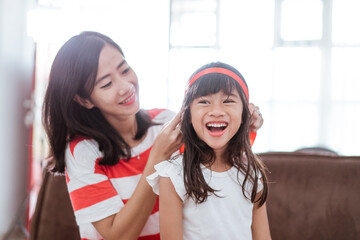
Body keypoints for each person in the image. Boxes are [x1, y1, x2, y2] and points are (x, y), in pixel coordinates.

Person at [42, 31, 264, 240]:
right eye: (107, 83)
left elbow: (220, 169)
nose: (125, 86)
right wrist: (157, 156)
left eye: (125, 69)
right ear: (84, 99)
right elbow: (118, 236)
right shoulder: (81, 152)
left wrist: (245, 125)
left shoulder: (166, 123)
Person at [147, 62, 271, 240]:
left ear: (244, 113)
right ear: (187, 115)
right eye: (204, 101)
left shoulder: (251, 172)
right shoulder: (173, 175)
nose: (217, 111)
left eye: (228, 101)